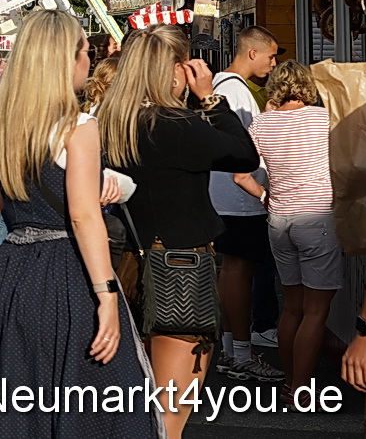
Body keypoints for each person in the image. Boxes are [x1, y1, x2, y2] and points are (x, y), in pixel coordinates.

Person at [0, 10, 156, 439]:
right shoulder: (78, 126)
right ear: (67, 59)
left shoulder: (0, 127)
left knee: (15, 392)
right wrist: (106, 294)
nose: (89, 60)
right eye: (84, 51)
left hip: (9, 270)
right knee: (91, 395)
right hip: (66, 270)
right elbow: (83, 215)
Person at [100, 24, 259, 439]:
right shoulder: (174, 125)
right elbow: (243, 153)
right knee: (171, 410)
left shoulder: (111, 123)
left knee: (134, 397)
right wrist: (210, 98)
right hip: (180, 265)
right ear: (173, 71)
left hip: (127, 261)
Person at [245, 60, 339, 403]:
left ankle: (288, 382)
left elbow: (242, 175)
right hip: (317, 217)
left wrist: (265, 195)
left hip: (279, 219)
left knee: (293, 308)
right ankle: (301, 389)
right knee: (316, 311)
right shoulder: (321, 117)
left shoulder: (261, 123)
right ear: (307, 87)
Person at [208, 26, 281, 383]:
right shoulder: (235, 92)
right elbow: (248, 148)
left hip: (226, 193)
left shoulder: (223, 87)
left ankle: (229, 347)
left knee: (231, 271)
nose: (274, 62)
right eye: (271, 55)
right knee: (240, 270)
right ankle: (240, 352)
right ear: (252, 53)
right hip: (239, 195)